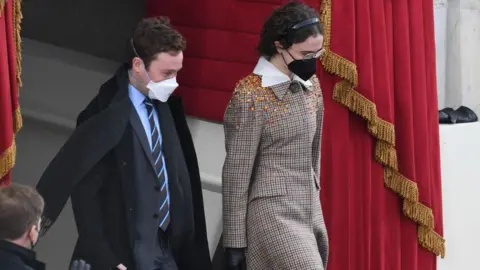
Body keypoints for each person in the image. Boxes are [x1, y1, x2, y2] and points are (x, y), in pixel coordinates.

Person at [35, 17, 211, 270]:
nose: (174, 82)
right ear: (138, 65)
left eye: (177, 72)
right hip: (123, 253)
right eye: (167, 73)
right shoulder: (103, 114)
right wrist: (106, 257)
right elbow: (86, 196)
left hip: (167, 252)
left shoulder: (169, 111)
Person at [222, 2, 329, 270]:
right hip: (271, 211)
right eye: (305, 54)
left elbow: (314, 152)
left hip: (308, 208)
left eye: (318, 53)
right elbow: (236, 171)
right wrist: (235, 242)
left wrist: (314, 197)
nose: (312, 62)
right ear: (280, 45)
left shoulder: (312, 86)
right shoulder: (250, 94)